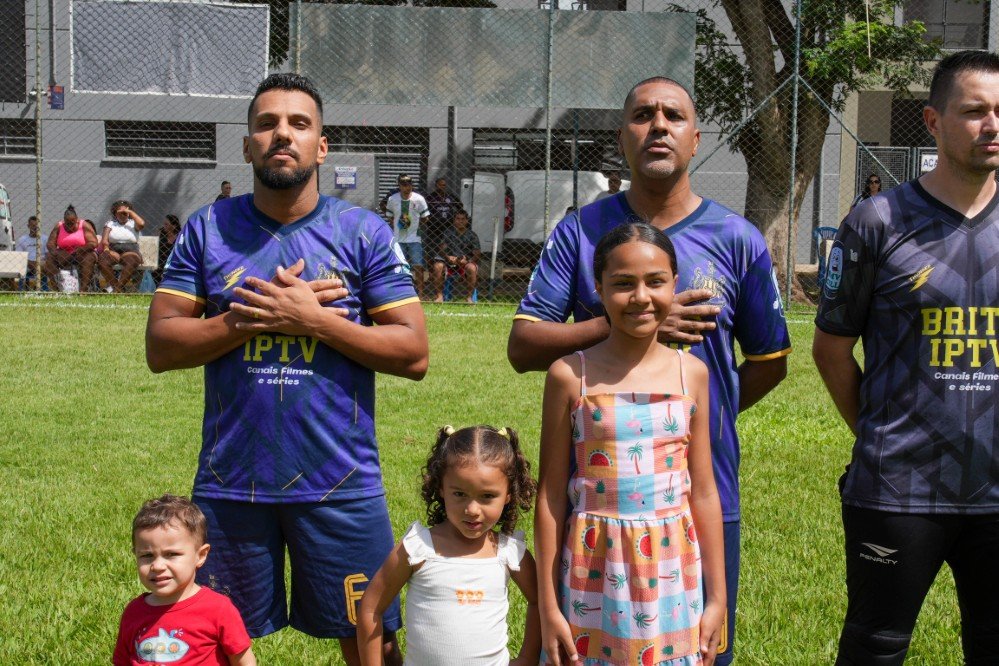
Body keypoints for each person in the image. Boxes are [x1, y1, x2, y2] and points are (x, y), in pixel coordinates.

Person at [146, 72, 429, 665]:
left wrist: (314, 320)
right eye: (267, 124)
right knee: (209, 643)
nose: (282, 134)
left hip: (341, 480)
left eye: (299, 124)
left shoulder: (363, 232)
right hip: (231, 484)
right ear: (247, 145)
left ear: (321, 147)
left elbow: (413, 353)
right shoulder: (207, 228)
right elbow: (162, 346)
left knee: (371, 639)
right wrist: (247, 319)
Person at [507, 76, 790, 666]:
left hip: (696, 497)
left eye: (673, 116)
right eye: (642, 115)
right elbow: (524, 344)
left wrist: (685, 422)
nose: (658, 125)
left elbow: (771, 362)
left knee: (697, 650)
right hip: (597, 508)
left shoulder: (737, 238)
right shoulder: (580, 232)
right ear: (622, 139)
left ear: (696, 139)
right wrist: (624, 328)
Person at [813, 50, 999, 665]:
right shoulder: (878, 222)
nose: (992, 125)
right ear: (933, 121)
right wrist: (877, 432)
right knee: (875, 646)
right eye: (974, 111)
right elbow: (831, 349)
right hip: (898, 487)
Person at [536, 223, 725, 666]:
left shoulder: (692, 375)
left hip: (671, 571)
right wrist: (548, 605)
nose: (641, 297)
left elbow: (703, 491)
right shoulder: (570, 375)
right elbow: (550, 496)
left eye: (655, 282)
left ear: (674, 284)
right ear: (599, 289)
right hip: (592, 565)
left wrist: (717, 596)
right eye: (623, 284)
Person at [357, 425, 541, 666]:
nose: (472, 509)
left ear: (508, 495)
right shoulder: (418, 548)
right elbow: (370, 608)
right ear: (441, 488)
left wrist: (527, 657)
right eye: (459, 494)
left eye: (487, 496)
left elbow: (540, 601)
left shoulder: (509, 552)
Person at [114, 494, 256, 666]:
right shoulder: (134, 612)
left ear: (200, 555)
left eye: (171, 554)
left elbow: (243, 661)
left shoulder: (218, 609)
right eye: (147, 556)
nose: (157, 566)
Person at [385, 174, 430, 297]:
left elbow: (425, 217)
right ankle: (399, 292)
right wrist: (398, 226)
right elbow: (390, 216)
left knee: (418, 265)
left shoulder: (419, 199)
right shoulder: (392, 199)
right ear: (399, 185)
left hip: (414, 238)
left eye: (409, 184)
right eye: (404, 185)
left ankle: (420, 292)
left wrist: (416, 227)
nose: (407, 187)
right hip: (398, 238)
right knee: (397, 265)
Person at [42, 205, 98, 292]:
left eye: (72, 222)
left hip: (82, 254)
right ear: (64, 220)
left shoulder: (84, 225)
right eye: (67, 223)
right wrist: (56, 252)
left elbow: (93, 242)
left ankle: (83, 290)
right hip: (63, 255)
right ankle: (57, 289)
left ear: (77, 219)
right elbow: (50, 244)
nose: (70, 225)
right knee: (49, 258)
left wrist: (82, 249)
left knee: (89, 257)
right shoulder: (59, 226)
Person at [431, 209, 481, 303]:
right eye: (458, 219)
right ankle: (439, 296)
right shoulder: (447, 233)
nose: (460, 221)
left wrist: (468, 261)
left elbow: (477, 253)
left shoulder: (472, 235)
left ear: (467, 221)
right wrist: (448, 257)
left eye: (463, 219)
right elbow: (441, 249)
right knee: (438, 266)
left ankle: (469, 297)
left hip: (465, 263)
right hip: (449, 262)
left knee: (472, 268)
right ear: (454, 220)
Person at [97, 199, 146, 293]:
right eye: (120, 213)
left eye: (125, 213)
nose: (123, 215)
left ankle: (117, 288)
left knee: (131, 261)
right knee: (103, 260)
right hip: (114, 250)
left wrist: (130, 212)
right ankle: (117, 287)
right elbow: (105, 239)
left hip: (131, 250)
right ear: (115, 213)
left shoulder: (133, 223)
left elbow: (142, 224)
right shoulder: (110, 223)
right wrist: (106, 249)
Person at [424, 177, 462, 262]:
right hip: (433, 229)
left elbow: (460, 206)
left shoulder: (450, 196)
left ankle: (449, 265)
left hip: (448, 227)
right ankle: (431, 266)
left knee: (448, 248)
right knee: (431, 250)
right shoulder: (430, 197)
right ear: (436, 185)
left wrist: (454, 217)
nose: (442, 187)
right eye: (440, 185)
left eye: (444, 185)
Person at [14, 216, 45, 289]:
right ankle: (22, 290)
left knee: (44, 266)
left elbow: (48, 255)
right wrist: (31, 263)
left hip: (41, 265)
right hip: (27, 265)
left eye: (37, 226)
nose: (35, 228)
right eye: (33, 226)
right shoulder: (22, 239)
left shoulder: (45, 239)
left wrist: (38, 264)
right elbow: (19, 256)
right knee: (22, 268)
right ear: (28, 226)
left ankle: (44, 289)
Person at [153, 214, 182, 285]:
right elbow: (153, 246)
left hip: (173, 262)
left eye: (166, 224)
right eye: (164, 224)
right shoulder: (161, 233)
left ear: (174, 226)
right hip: (160, 263)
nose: (164, 226)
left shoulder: (180, 236)